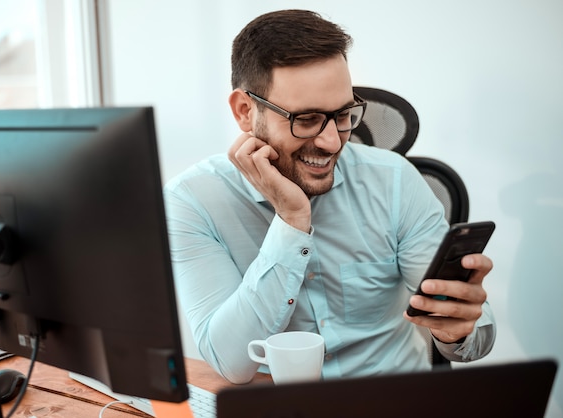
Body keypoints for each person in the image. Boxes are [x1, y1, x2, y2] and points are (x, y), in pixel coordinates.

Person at [164, 9, 495, 384]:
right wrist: (291, 222)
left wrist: (459, 328)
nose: (331, 141)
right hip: (283, 410)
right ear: (245, 111)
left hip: (392, 403)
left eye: (342, 115)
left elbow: (473, 334)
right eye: (305, 120)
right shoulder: (192, 201)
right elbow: (233, 363)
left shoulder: (395, 181)